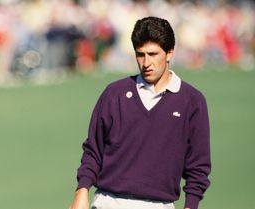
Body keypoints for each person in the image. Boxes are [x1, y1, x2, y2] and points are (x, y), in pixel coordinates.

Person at [69, 16, 211, 209]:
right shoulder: (114, 94)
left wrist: (191, 205)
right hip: (108, 202)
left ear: (169, 53)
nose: (146, 63)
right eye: (140, 54)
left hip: (160, 205)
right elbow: (93, 150)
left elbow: (198, 166)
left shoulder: (192, 101)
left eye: (153, 54)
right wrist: (82, 192)